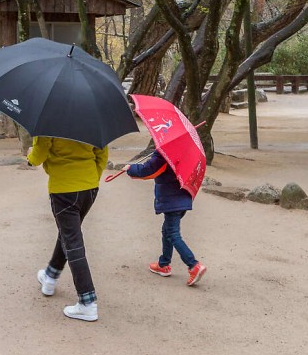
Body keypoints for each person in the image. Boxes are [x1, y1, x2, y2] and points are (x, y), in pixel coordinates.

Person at [27, 136, 108, 322]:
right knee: (68, 233)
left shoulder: (48, 121)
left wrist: (30, 157)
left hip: (63, 189)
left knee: (72, 241)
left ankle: (87, 302)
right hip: (89, 187)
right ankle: (50, 277)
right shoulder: (91, 117)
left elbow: (39, 156)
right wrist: (91, 177)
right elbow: (102, 153)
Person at [123, 149, 207, 286]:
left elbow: (149, 169)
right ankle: (163, 264)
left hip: (172, 199)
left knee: (173, 234)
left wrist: (131, 168)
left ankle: (193, 265)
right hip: (183, 197)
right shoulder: (185, 151)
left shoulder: (164, 151)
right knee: (167, 231)